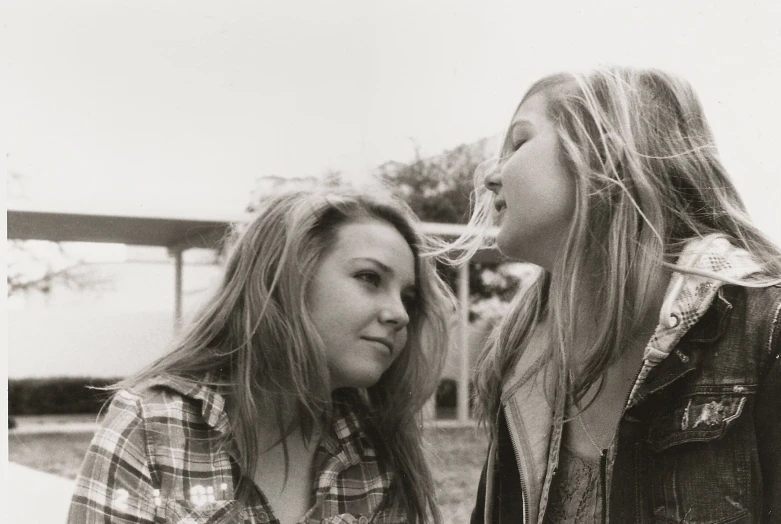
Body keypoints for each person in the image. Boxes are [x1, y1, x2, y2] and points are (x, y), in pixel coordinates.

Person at [454, 66, 781, 523]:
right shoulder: (521, 360)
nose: (490, 177)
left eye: (519, 142)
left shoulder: (766, 329)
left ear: (601, 156)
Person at [67, 187, 455, 524]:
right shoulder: (154, 426)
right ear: (285, 277)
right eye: (370, 278)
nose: (399, 314)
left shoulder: (373, 449)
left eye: (408, 298)